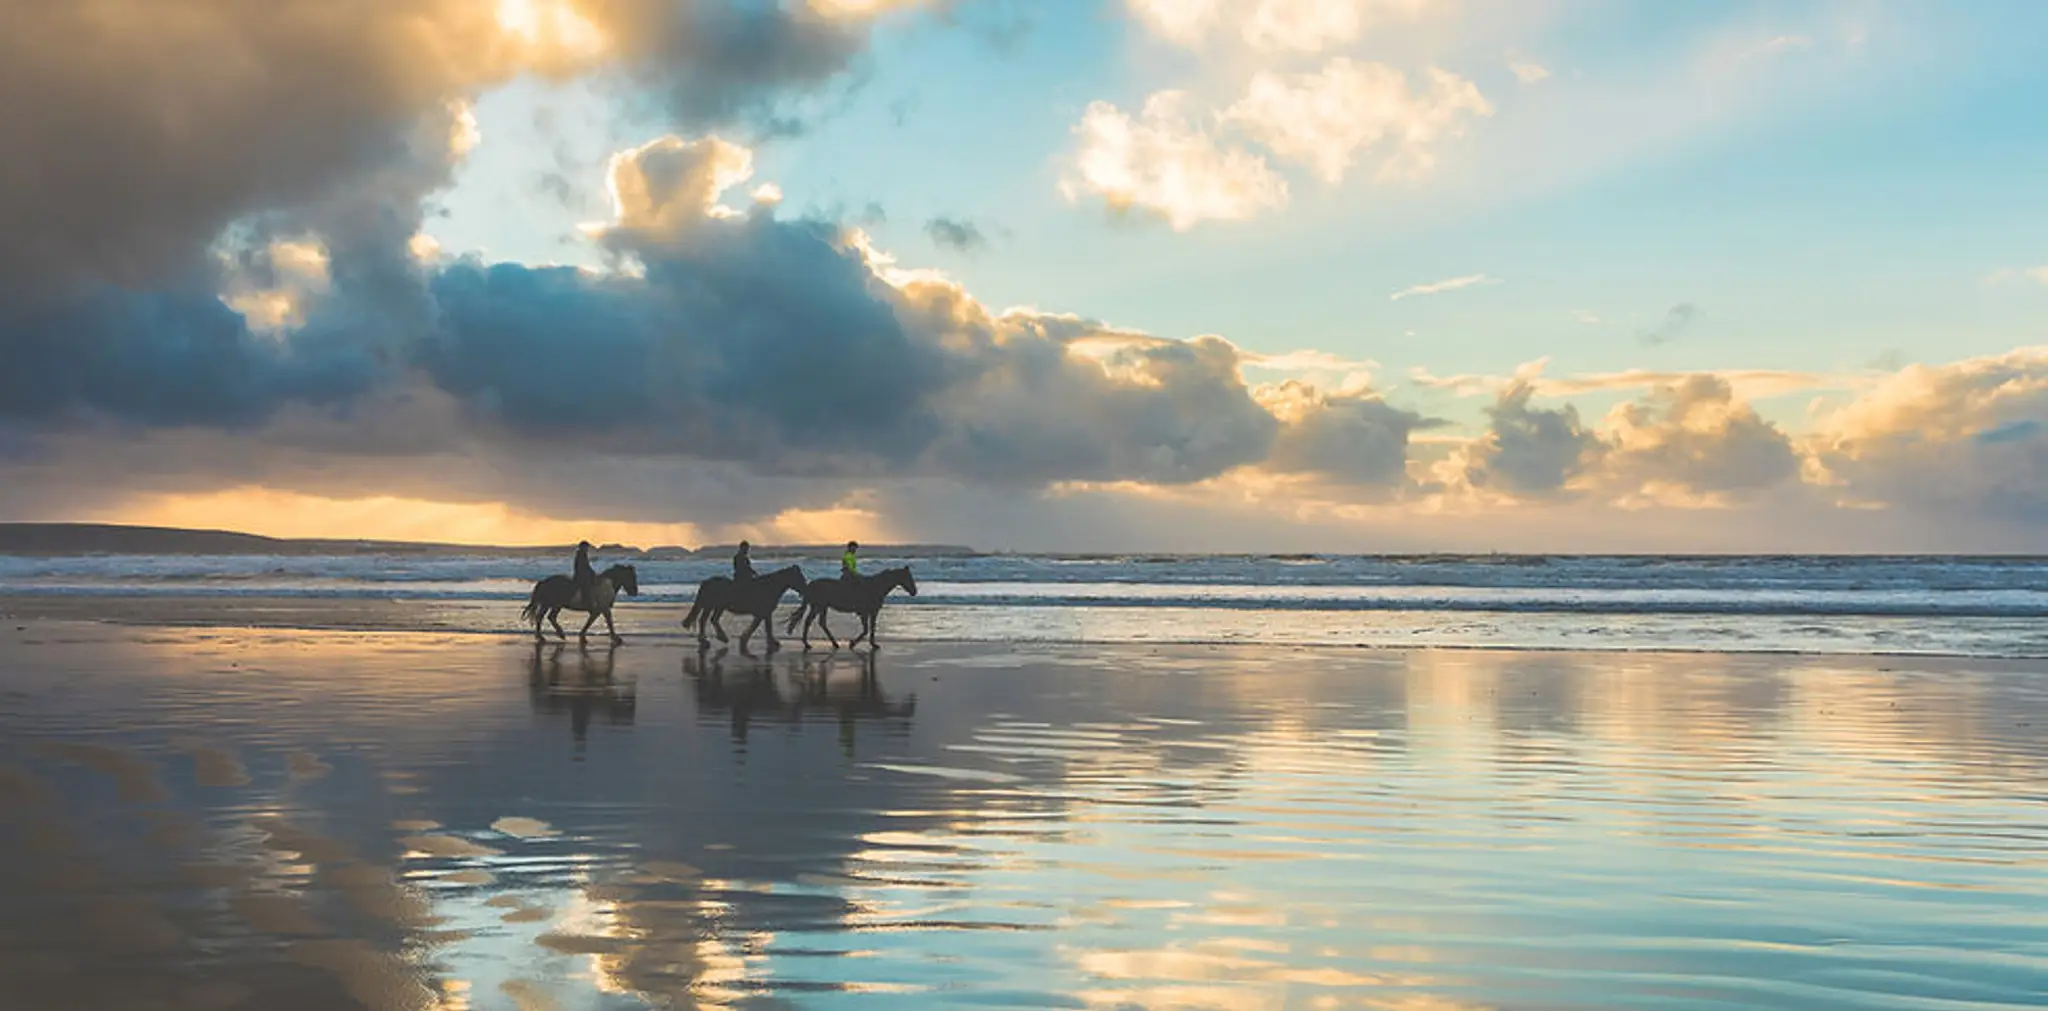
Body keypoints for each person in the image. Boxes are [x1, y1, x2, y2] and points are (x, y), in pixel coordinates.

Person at [572, 540, 596, 607]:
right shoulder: (580, 554)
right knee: (586, 586)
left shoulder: (583, 554)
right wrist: (589, 572)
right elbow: (582, 566)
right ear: (582, 547)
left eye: (587, 547)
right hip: (580, 575)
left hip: (583, 574)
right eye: (586, 547)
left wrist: (591, 572)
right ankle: (585, 601)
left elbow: (586, 566)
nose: (587, 549)